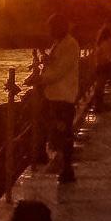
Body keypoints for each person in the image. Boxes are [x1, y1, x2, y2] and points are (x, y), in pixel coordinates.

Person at [39, 14, 80, 181]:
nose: (49, 31)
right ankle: (61, 164)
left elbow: (59, 71)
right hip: (55, 95)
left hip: (64, 96)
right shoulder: (60, 43)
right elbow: (56, 65)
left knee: (64, 133)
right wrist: (48, 60)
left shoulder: (70, 45)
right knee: (57, 132)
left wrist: (39, 79)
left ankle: (67, 169)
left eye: (51, 28)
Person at [92, 24, 111, 111]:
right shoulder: (106, 43)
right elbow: (108, 56)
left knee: (100, 85)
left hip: (100, 66)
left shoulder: (100, 43)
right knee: (100, 86)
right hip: (104, 66)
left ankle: (99, 104)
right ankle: (98, 105)